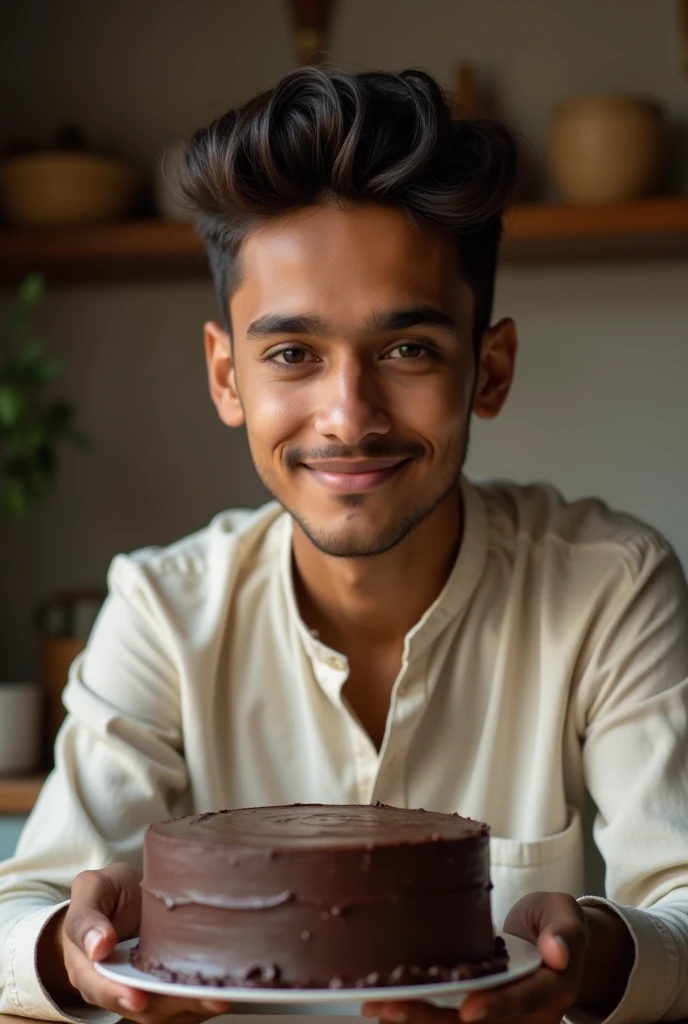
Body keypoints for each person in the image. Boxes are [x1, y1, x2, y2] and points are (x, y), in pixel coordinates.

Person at [1, 65, 688, 1024]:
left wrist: (601, 955)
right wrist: (72, 952)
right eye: (292, 354)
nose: (348, 416)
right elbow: (17, 914)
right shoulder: (164, 609)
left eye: (407, 349)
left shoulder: (610, 588)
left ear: (488, 370)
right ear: (226, 376)